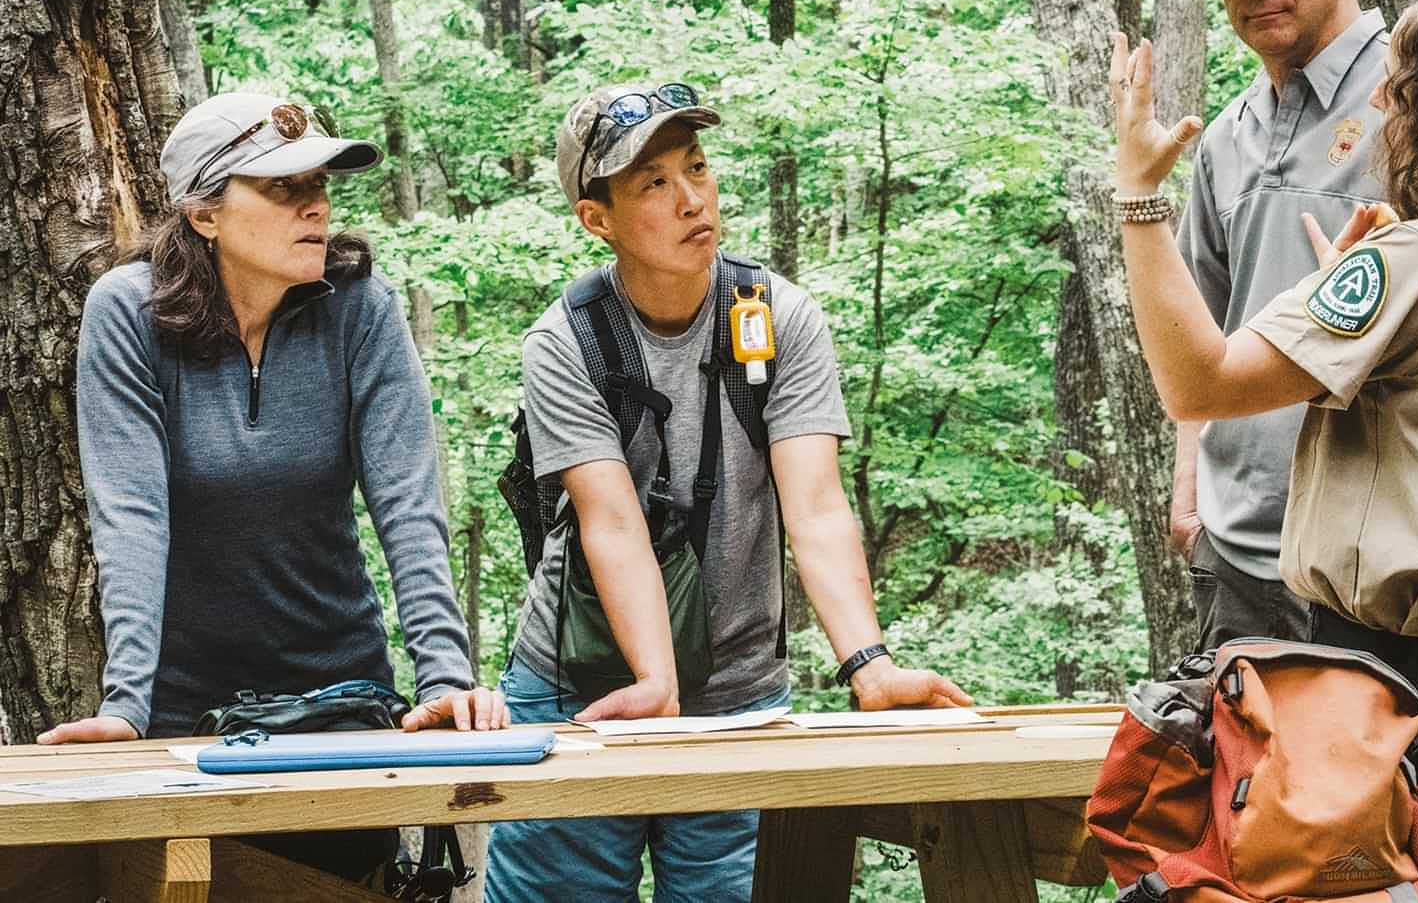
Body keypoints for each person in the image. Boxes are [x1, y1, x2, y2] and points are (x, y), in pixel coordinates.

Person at [485, 81, 972, 903]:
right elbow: (610, 522)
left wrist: (869, 663)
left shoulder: (777, 317)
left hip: (741, 695)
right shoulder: (565, 342)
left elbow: (815, 507)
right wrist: (657, 685)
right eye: (653, 184)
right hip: (582, 688)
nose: (691, 199)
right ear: (595, 218)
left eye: (698, 168)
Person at [41, 92, 506, 879]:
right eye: (283, 188)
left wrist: (445, 679)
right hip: (187, 711)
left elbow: (408, 504)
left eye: (319, 184)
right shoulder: (128, 314)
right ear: (204, 214)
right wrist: (124, 706)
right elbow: (131, 518)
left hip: (343, 705)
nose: (316, 205)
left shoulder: (361, 307)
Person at [1110, 0, 1418, 894]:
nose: (1377, 101)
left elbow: (1198, 378)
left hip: (1398, 693)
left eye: (1399, 87)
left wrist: (1137, 197)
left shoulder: (1417, 266)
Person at [1171, 0, 1391, 649]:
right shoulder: (1226, 136)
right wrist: (1189, 493)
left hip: (1368, 558)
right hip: (1234, 556)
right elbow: (1200, 326)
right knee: (1239, 778)